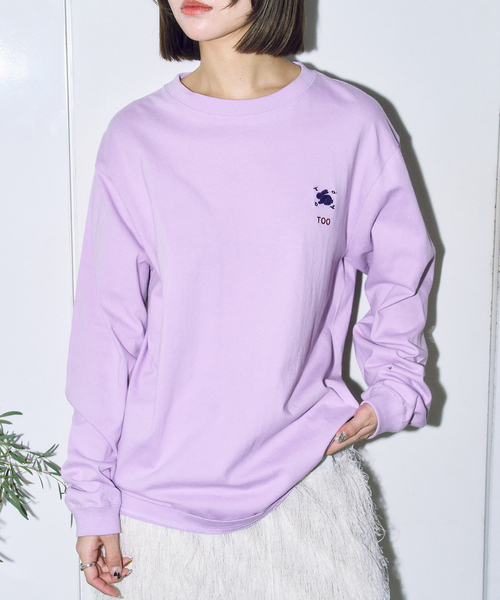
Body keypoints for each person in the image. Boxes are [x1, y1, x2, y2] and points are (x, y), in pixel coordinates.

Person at [60, 0, 436, 598]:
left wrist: (396, 386)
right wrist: (91, 493)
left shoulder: (350, 123)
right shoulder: (137, 137)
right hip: (163, 509)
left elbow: (403, 265)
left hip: (307, 488)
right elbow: (107, 326)